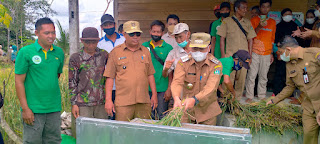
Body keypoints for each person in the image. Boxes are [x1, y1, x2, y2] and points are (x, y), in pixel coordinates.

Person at [15, 17, 65, 144]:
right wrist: (25, 108)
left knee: (53, 141)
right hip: (33, 109)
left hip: (54, 108)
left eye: (53, 32)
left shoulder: (59, 52)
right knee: (32, 141)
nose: (51, 36)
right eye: (47, 33)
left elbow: (56, 75)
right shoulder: (26, 52)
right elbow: (19, 82)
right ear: (37, 33)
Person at [266, 36, 320, 144]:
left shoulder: (314, 53)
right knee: (309, 136)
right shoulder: (289, 64)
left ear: (288, 50)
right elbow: (290, 87)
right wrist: (274, 100)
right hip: (308, 105)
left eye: (281, 52)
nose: (280, 57)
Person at [104, 21, 158, 121]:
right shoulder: (116, 52)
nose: (135, 36)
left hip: (143, 101)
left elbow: (150, 74)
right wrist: (108, 100)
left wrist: (154, 95)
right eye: (131, 34)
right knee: (123, 133)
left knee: (143, 131)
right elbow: (110, 78)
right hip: (123, 103)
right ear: (124, 34)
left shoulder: (146, 51)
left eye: (138, 34)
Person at [171, 32, 222, 125]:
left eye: (201, 49)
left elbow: (211, 87)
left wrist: (195, 99)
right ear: (190, 46)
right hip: (187, 112)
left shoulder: (216, 65)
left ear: (209, 48)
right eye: (195, 48)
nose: (198, 52)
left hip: (207, 113)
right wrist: (176, 98)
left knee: (206, 139)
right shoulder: (183, 62)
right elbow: (177, 82)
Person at [217, 0, 256, 99]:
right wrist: (223, 56)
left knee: (241, 82)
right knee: (228, 80)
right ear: (236, 9)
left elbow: (250, 40)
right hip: (230, 57)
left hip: (244, 58)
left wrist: (249, 56)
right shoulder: (227, 21)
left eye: (246, 8)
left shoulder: (247, 22)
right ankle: (226, 101)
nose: (245, 10)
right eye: (243, 8)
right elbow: (222, 39)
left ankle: (236, 102)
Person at [69, 27, 108, 120]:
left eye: (94, 42)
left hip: (101, 102)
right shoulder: (76, 58)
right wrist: (74, 104)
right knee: (84, 132)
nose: (90, 45)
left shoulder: (104, 55)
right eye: (87, 42)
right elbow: (72, 82)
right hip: (83, 103)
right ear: (82, 41)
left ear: (98, 41)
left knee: (102, 131)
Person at [245, 0, 275, 102]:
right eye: (263, 7)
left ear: (270, 8)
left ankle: (262, 96)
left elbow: (272, 39)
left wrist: (271, 53)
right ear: (260, 8)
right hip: (254, 51)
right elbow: (251, 36)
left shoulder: (272, 22)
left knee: (263, 76)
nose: (265, 9)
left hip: (266, 53)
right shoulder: (253, 20)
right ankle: (249, 96)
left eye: (267, 7)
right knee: (252, 75)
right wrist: (259, 27)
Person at [142, 20, 173, 119]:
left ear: (162, 33)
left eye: (158, 32)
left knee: (162, 116)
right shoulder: (144, 46)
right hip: (146, 88)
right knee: (148, 116)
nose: (155, 34)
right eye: (154, 31)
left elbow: (170, 71)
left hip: (162, 88)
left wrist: (169, 89)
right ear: (150, 32)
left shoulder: (168, 48)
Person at [97, 14, 125, 119]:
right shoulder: (100, 44)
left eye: (110, 24)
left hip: (124, 85)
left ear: (115, 24)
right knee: (110, 114)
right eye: (106, 25)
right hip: (109, 86)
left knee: (123, 114)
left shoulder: (124, 40)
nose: (108, 27)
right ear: (102, 27)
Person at [162, 23, 191, 109]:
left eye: (180, 37)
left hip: (196, 92)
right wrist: (166, 69)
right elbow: (164, 74)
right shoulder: (173, 53)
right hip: (180, 93)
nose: (178, 40)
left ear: (188, 34)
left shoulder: (197, 49)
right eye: (176, 37)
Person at [273, 8, 299, 97]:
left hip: (292, 54)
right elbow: (275, 40)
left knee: (290, 73)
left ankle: (289, 93)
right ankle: (277, 91)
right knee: (279, 72)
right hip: (281, 53)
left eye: (290, 14)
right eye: (286, 14)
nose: (288, 16)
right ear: (282, 16)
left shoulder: (295, 26)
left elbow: (298, 41)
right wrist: (278, 50)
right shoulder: (278, 26)